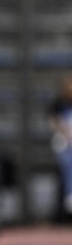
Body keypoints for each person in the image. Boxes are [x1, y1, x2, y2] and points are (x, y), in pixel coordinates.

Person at [48, 72, 72, 220]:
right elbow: (53, 122)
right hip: (63, 139)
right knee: (66, 159)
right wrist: (66, 132)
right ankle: (70, 193)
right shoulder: (59, 103)